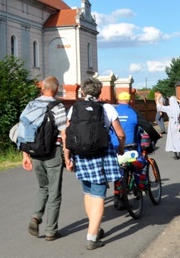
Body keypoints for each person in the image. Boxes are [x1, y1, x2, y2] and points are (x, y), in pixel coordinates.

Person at [64, 78, 125, 250]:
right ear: (100, 92)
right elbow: (120, 133)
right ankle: (92, 237)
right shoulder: (107, 108)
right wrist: (120, 147)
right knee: (99, 195)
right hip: (101, 155)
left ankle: (95, 227)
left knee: (88, 192)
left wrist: (67, 158)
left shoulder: (74, 109)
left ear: (83, 92)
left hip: (81, 155)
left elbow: (67, 136)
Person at [22, 76, 68, 241]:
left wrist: (25, 154)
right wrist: (68, 156)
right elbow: (64, 132)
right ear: (56, 89)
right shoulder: (58, 106)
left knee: (43, 187)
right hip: (53, 152)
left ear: (42, 88)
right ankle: (51, 230)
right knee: (55, 192)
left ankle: (36, 216)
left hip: (35, 152)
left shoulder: (31, 105)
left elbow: (24, 130)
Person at [110, 92, 160, 205]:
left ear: (118, 100)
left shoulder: (113, 111)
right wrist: (155, 137)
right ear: (131, 101)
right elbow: (147, 126)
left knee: (119, 169)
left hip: (114, 147)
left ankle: (118, 196)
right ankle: (141, 186)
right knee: (138, 164)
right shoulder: (133, 112)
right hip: (130, 147)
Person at [155, 92, 180, 159]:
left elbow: (159, 107)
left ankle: (175, 153)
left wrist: (157, 99)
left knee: (173, 139)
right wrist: (176, 99)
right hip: (179, 124)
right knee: (179, 138)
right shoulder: (179, 107)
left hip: (172, 124)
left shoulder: (169, 108)